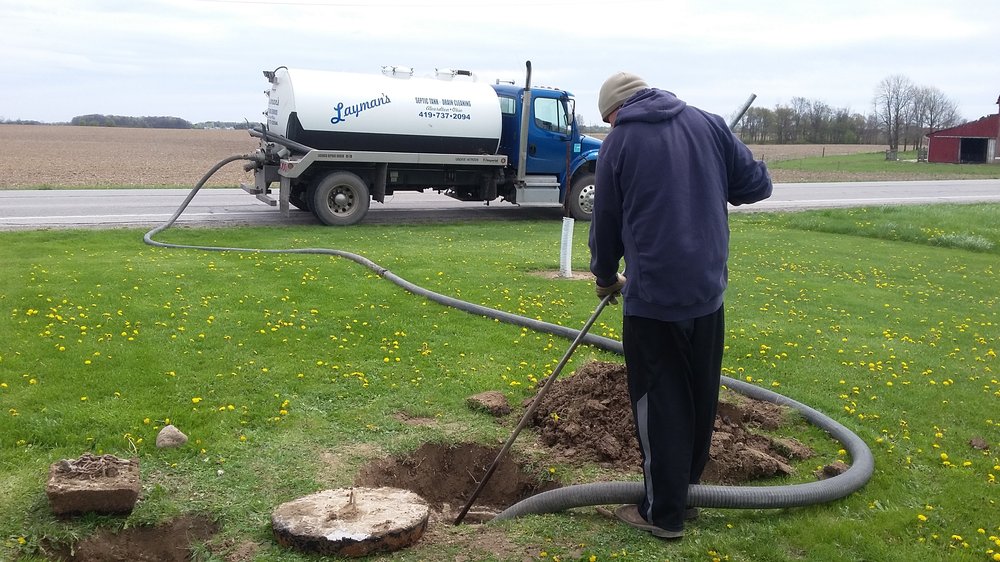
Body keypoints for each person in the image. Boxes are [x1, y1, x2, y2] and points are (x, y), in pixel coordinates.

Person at [589, 72, 773, 539]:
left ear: (615, 111)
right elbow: (756, 186)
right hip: (708, 292)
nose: (612, 125)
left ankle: (663, 512)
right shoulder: (709, 124)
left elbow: (606, 220)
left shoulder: (620, 142)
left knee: (661, 403)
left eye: (610, 119)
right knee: (698, 395)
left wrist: (606, 277)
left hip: (655, 299)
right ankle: (687, 493)